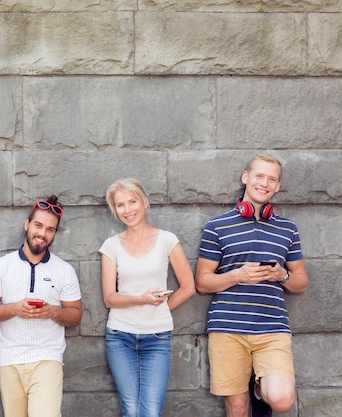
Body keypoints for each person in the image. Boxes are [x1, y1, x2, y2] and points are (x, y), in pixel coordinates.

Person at [195, 154, 309, 417]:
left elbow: (301, 281)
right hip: (227, 327)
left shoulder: (288, 229)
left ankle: (260, 385)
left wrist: (283, 275)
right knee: (237, 408)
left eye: (272, 179)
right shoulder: (217, 226)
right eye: (259, 176)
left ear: (278, 186)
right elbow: (202, 282)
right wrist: (238, 276)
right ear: (246, 178)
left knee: (280, 400)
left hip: (272, 327)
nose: (264, 183)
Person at [99, 178, 196, 417]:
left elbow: (188, 287)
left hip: (157, 338)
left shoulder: (167, 240)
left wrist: (160, 310)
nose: (128, 209)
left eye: (132, 202)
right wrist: (140, 300)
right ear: (115, 210)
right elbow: (110, 298)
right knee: (131, 411)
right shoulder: (111, 246)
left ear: (145, 202)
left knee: (150, 412)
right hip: (120, 337)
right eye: (120, 205)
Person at [0, 196, 82, 417]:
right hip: (9, 360)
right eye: (38, 225)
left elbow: (75, 315)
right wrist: (15, 308)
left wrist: (52, 312)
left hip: (47, 358)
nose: (42, 234)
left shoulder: (64, 270)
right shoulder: (1, 266)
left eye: (50, 229)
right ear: (27, 224)